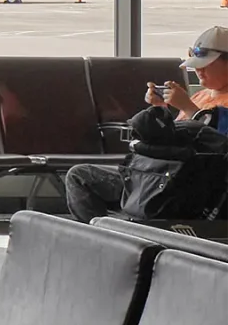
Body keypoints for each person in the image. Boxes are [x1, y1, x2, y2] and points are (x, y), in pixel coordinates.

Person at [63, 25, 228, 222]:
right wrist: (160, 110)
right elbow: (175, 140)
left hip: (183, 182)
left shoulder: (204, 104)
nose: (198, 70)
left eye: (206, 64)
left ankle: (120, 230)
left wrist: (189, 108)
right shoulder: (200, 96)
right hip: (160, 174)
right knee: (80, 176)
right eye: (197, 64)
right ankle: (107, 232)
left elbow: (218, 150)